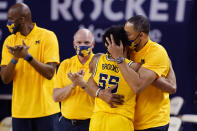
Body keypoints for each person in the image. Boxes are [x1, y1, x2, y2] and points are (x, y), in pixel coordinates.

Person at [106, 15, 176, 131]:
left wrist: (121, 60)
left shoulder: (156, 52)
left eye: (128, 34)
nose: (124, 37)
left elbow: (137, 86)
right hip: (128, 120)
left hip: (152, 123)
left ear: (141, 35)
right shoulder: (126, 49)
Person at [1, 3, 60, 131]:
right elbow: (5, 78)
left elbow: (50, 73)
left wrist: (27, 57)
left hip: (46, 111)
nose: (8, 23)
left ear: (22, 20)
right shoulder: (9, 41)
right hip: (20, 112)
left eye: (11, 19)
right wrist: (15, 58)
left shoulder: (48, 36)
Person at [72, 25, 141, 131]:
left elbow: (90, 84)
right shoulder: (134, 66)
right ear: (126, 45)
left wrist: (99, 92)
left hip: (97, 120)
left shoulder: (97, 60)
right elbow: (139, 86)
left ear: (106, 44)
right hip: (120, 121)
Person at [53, 28, 95, 131]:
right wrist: (72, 85)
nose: (82, 45)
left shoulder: (100, 63)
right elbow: (56, 97)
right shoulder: (65, 64)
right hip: (65, 124)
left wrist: (82, 84)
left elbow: (102, 97)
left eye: (86, 42)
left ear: (93, 44)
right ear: (74, 44)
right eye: (79, 42)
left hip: (91, 124)